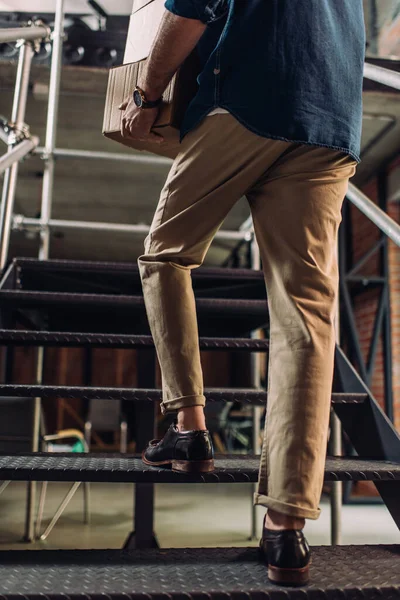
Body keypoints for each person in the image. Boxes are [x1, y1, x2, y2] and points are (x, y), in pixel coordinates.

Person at [119, 0, 365, 587]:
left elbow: (191, 8)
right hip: (329, 124)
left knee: (165, 254)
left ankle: (189, 424)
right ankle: (287, 530)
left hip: (247, 99)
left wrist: (146, 97)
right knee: (306, 322)